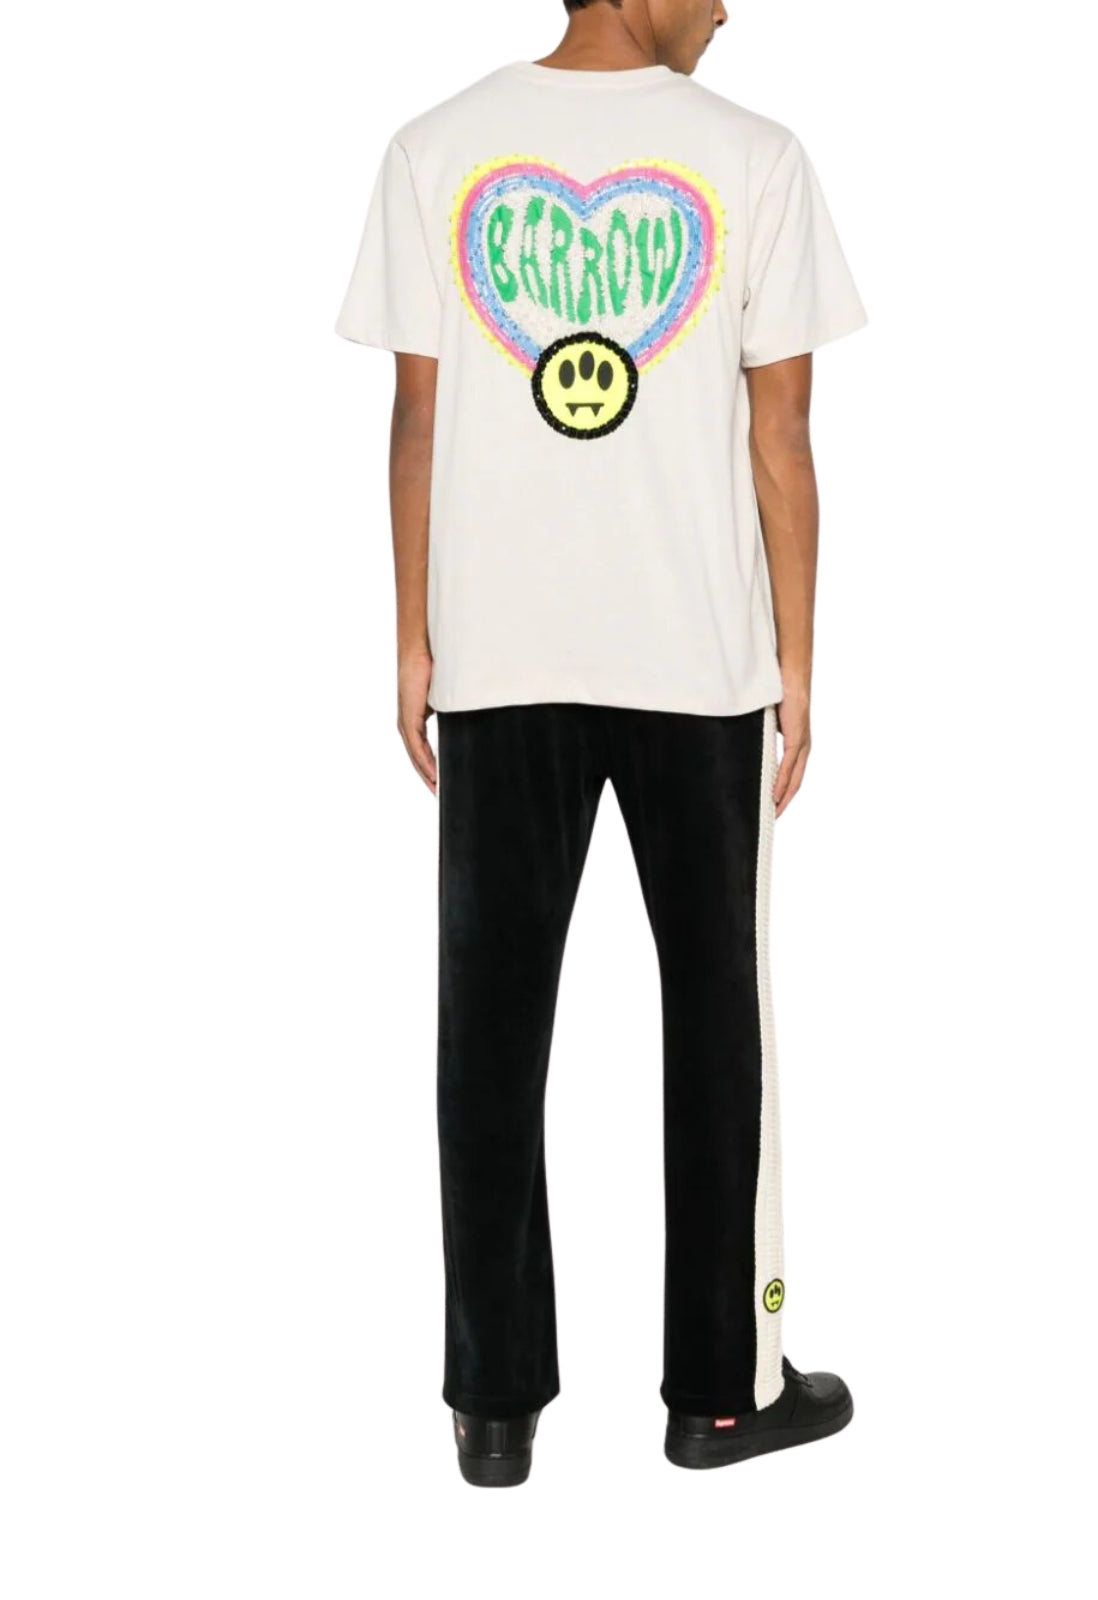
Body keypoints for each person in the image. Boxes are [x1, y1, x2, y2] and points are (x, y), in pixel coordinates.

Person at [333, 0, 868, 1486]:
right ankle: (721, 1394)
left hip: (499, 658)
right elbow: (781, 436)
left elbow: (417, 418)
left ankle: (493, 1406)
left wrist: (415, 638)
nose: (731, 6)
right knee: (718, 1022)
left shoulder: (434, 147)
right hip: (697, 661)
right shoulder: (755, 157)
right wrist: (799, 661)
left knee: (490, 1032)